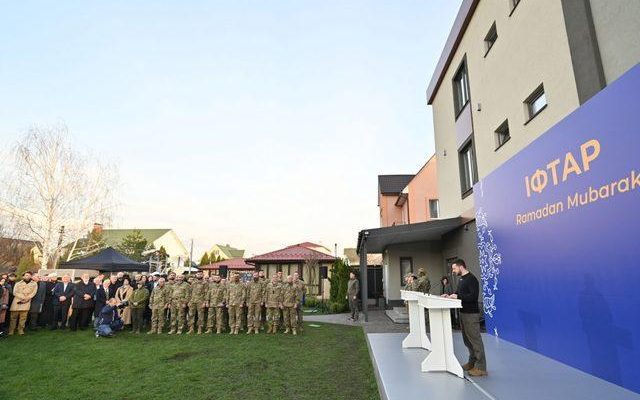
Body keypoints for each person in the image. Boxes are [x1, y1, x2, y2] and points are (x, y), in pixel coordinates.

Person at [443, 259, 487, 377]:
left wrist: (458, 296)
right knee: (467, 340)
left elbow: (473, 297)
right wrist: (450, 296)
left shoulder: (472, 279)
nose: (453, 271)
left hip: (471, 314)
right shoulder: (462, 279)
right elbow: (458, 293)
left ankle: (481, 367)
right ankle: (472, 362)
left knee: (475, 340)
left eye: (454, 268)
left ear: (461, 267)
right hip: (463, 313)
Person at [8, 271, 38, 336]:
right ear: (23, 276)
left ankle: (20, 330)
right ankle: (11, 330)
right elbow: (14, 292)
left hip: (26, 302)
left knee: (23, 318)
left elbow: (34, 292)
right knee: (13, 317)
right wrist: (23, 297)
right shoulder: (18, 283)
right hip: (17, 301)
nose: (27, 276)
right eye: (26, 275)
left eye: (29, 275)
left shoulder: (34, 284)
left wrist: (27, 298)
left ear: (31, 276)